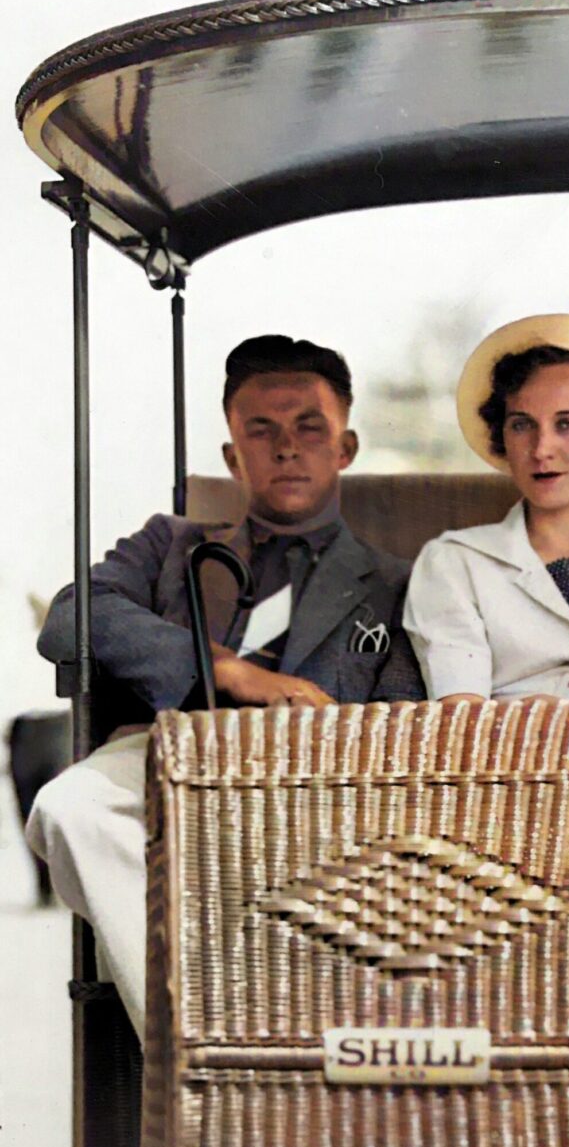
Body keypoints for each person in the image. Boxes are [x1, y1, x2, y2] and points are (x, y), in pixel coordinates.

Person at [27, 335, 423, 1040]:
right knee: (67, 808)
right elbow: (71, 617)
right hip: (169, 757)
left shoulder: (396, 582)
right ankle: (197, 1042)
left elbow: (403, 713)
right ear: (233, 455)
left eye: (309, 427)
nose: (287, 448)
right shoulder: (170, 544)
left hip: (313, 790)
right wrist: (229, 670)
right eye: (260, 432)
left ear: (346, 447)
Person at [404, 314, 569, 703]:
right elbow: (461, 718)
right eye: (522, 425)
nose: (541, 450)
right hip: (511, 756)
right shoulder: (456, 562)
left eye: (567, 424)